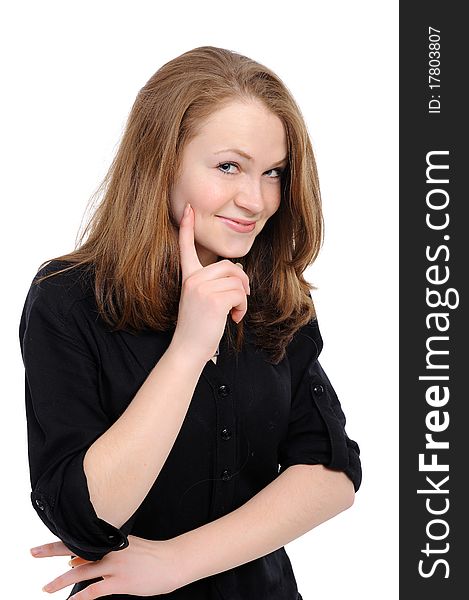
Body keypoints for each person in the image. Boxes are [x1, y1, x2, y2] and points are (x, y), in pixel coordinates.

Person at [19, 46, 362, 600]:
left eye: (272, 172)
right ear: (162, 161)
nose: (255, 199)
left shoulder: (274, 294)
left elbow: (332, 473)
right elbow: (86, 516)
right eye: (229, 166)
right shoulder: (68, 300)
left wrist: (178, 562)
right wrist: (189, 347)